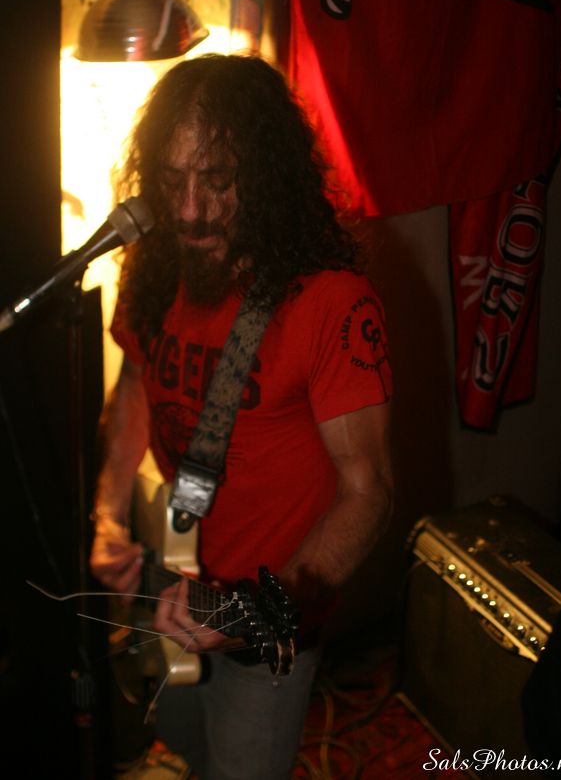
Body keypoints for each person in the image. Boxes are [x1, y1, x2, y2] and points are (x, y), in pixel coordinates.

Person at [89, 53, 393, 779]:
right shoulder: (155, 265)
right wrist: (106, 514)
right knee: (185, 740)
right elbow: (136, 390)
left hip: (268, 610)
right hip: (173, 575)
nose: (190, 210)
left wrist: (254, 614)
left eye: (218, 180)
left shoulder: (330, 301)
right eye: (172, 181)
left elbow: (370, 493)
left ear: (265, 175)